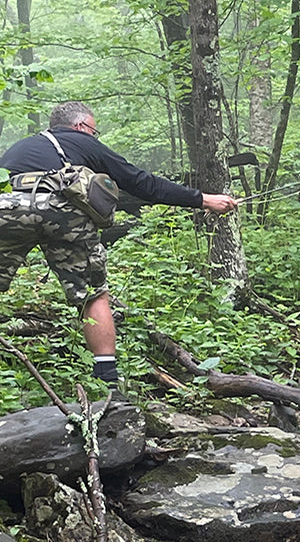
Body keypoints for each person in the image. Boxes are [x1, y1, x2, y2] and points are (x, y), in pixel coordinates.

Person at [0, 101, 237, 385]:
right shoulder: (84, 144)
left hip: (9, 208)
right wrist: (203, 199)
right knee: (93, 294)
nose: (94, 136)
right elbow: (142, 183)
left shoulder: (18, 149)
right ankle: (107, 381)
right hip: (64, 214)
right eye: (94, 130)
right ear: (80, 126)